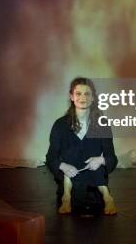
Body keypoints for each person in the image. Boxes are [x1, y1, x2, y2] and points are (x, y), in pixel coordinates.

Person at [46, 77, 118, 215]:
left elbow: (112, 158)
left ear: (92, 98)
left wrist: (100, 160)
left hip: (94, 176)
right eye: (78, 93)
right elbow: (51, 157)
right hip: (70, 174)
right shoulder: (60, 125)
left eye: (87, 94)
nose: (82, 97)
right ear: (71, 97)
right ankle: (66, 198)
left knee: (96, 170)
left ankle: (108, 198)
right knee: (69, 164)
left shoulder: (101, 124)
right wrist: (64, 166)